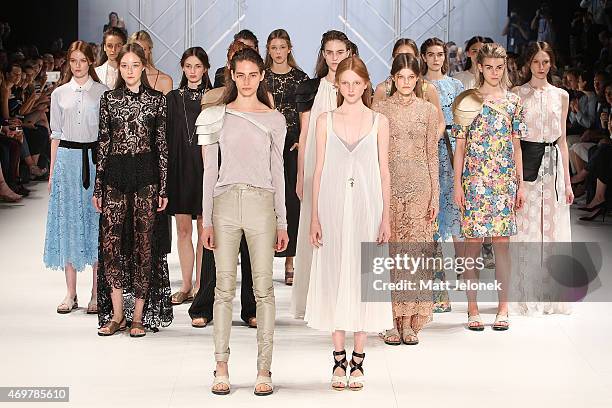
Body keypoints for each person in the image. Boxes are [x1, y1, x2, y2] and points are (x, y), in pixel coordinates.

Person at [198, 47, 288, 396]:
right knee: (223, 290)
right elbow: (208, 171)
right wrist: (206, 219)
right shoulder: (215, 115)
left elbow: (278, 171)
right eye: (241, 74)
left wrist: (282, 220)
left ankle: (263, 369)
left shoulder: (274, 119)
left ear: (262, 75)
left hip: (262, 204)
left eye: (254, 74)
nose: (248, 81)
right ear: (232, 76)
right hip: (224, 204)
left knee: (264, 290)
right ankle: (221, 366)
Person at [305, 56, 391, 390]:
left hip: (368, 207)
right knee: (335, 272)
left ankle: (359, 359)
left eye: (357, 83)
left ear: (366, 84)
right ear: (336, 85)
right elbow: (319, 170)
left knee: (364, 275)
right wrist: (313, 216)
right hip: (331, 205)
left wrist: (386, 215)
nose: (352, 89)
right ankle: (338, 358)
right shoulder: (324, 120)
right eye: (345, 83)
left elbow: (384, 169)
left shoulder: (379, 121)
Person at [94, 43, 173, 337]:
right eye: (124, 66)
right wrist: (98, 186)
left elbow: (162, 146)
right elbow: (103, 144)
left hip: (146, 176)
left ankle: (138, 315)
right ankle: (117, 315)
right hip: (115, 174)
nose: (129, 70)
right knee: (111, 245)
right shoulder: (109, 100)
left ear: (143, 66)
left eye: (134, 65)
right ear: (119, 68)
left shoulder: (157, 101)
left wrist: (164, 187)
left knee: (144, 245)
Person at [452, 43, 527, 331]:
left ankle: (503, 308)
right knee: (471, 247)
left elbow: (516, 146)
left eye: (500, 67)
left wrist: (519, 185)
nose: (495, 72)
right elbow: (460, 147)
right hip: (473, 182)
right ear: (479, 67)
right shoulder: (467, 100)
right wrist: (457, 185)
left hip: (504, 182)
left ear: (504, 67)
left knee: (502, 247)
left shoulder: (513, 102)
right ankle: (472, 308)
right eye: (489, 67)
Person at [189, 40, 258, 329]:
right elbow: (208, 152)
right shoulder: (212, 97)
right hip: (220, 179)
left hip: (254, 180)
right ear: (229, 66)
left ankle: (251, 307)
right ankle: (203, 305)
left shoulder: (263, 101)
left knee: (253, 247)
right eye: (235, 61)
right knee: (214, 243)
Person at [372, 53, 439, 346]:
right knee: (390, 254)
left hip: (420, 185)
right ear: (393, 79)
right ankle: (390, 321)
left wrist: (435, 193)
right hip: (388, 185)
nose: (406, 82)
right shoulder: (380, 109)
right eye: (401, 77)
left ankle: (411, 322)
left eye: (412, 77)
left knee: (415, 254)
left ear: (418, 79)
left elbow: (432, 155)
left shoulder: (427, 110)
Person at [43, 41, 108, 316]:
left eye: (82, 60)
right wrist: (52, 172)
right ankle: (71, 293)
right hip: (67, 163)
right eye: (73, 61)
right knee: (69, 222)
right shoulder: (59, 94)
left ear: (91, 62)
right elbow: (55, 133)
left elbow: (106, 137)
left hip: (94, 161)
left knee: (95, 223)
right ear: (68, 64)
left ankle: (96, 292)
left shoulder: (103, 93)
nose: (78, 65)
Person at [291, 30, 352, 318]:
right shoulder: (310, 89)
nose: (334, 57)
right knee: (313, 228)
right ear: (323, 54)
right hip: (316, 163)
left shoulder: (356, 87)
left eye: (340, 52)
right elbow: (304, 135)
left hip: (347, 166)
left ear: (349, 52)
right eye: (329, 52)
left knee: (344, 226)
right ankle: (313, 300)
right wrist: (302, 172)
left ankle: (342, 296)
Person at [511, 41, 573, 315]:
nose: (540, 67)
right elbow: (514, 140)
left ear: (551, 64)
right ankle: (525, 294)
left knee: (552, 228)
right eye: (536, 61)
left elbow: (563, 140)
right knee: (527, 228)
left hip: (554, 166)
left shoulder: (561, 95)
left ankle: (551, 294)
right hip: (527, 163)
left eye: (545, 62)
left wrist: (569, 182)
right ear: (528, 63)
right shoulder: (517, 94)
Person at [421, 37, 464, 314]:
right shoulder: (420, 85)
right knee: (433, 217)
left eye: (440, 54)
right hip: (429, 149)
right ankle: (437, 286)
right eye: (432, 54)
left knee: (455, 212)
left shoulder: (457, 85)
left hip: (454, 149)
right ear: (423, 57)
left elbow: (464, 120)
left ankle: (461, 269)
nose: (437, 59)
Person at [166, 47, 211, 305]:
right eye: (188, 66)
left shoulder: (216, 98)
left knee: (204, 229)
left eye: (197, 66)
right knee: (183, 229)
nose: (193, 71)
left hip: (206, 169)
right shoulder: (172, 99)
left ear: (205, 68)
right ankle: (184, 284)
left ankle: (199, 285)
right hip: (180, 167)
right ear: (182, 68)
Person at [264, 29, 309, 285]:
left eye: (282, 47)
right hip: (266, 142)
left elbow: (305, 114)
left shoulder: (300, 78)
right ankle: (266, 257)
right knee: (268, 199)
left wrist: (300, 139)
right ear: (268, 51)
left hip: (291, 144)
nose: (278, 52)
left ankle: (290, 258)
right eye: (273, 48)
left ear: (289, 48)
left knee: (291, 200)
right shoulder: (263, 77)